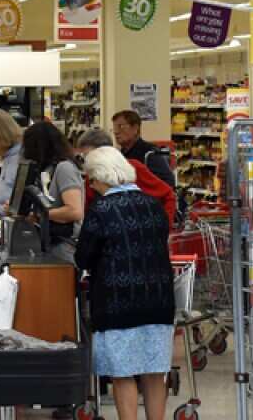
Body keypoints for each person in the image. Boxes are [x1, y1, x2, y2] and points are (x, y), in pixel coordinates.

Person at [76, 147, 174, 420]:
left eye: (91, 180)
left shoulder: (101, 209)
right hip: (158, 300)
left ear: (100, 177)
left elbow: (83, 256)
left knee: (122, 374)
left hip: (117, 303)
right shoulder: (153, 205)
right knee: (155, 372)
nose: (91, 187)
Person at [75, 129, 176, 230]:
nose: (86, 161)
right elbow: (88, 210)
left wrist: (164, 227)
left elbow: (168, 195)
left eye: (88, 155)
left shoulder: (133, 167)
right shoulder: (91, 177)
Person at [20, 122, 85, 263]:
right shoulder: (48, 169)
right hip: (52, 243)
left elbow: (75, 211)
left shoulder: (64, 168)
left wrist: (39, 216)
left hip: (64, 245)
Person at [112, 110, 177, 191]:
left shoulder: (149, 154)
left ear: (135, 128)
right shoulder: (121, 153)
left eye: (121, 126)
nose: (116, 132)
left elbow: (168, 183)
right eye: (114, 128)